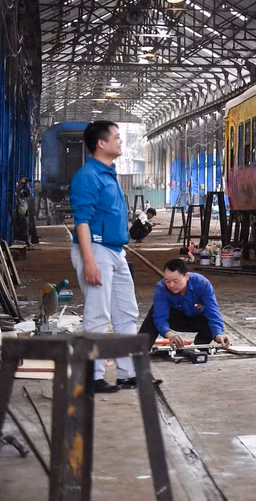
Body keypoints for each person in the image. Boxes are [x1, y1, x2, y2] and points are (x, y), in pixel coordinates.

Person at [70, 121, 140, 393]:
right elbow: (83, 221)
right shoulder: (88, 176)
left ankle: (127, 374)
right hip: (96, 249)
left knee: (126, 311)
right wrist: (89, 260)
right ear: (101, 143)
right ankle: (93, 376)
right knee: (98, 314)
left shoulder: (109, 173)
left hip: (115, 250)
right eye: (117, 137)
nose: (120, 142)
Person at [138, 258, 230, 349]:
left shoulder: (202, 283)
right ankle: (140, 348)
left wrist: (219, 334)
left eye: (175, 281)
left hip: (197, 319)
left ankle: (199, 348)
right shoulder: (162, 288)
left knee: (210, 321)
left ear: (186, 276)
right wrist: (169, 334)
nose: (171, 285)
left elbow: (212, 311)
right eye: (167, 281)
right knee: (154, 311)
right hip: (176, 319)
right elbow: (160, 316)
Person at [16, 177, 38, 244]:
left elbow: (24, 194)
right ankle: (28, 240)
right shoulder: (23, 189)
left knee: (27, 225)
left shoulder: (25, 190)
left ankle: (29, 240)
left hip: (25, 209)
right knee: (26, 225)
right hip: (24, 209)